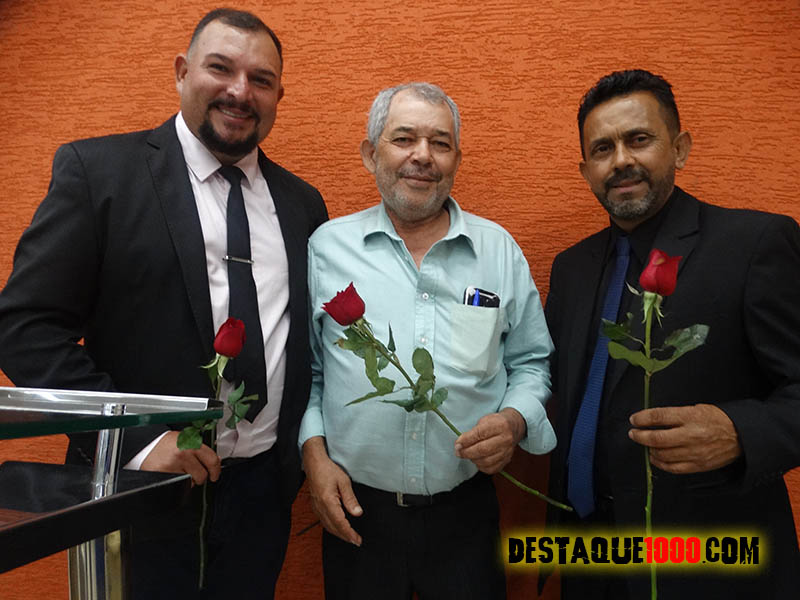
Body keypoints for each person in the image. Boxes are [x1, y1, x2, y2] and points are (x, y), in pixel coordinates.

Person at [0, 8, 327, 599]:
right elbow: (25, 328)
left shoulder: (303, 204)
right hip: (135, 491)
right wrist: (140, 441)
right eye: (220, 68)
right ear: (181, 72)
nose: (240, 91)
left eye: (261, 79)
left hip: (261, 498)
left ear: (279, 95)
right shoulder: (99, 174)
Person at [543, 69, 800, 599]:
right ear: (586, 170)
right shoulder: (571, 268)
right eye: (602, 148)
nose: (621, 161)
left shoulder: (754, 245)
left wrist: (740, 430)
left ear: (680, 148)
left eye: (639, 139)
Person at [298, 81, 555, 599]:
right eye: (404, 139)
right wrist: (314, 459)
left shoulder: (498, 251)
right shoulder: (327, 249)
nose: (423, 156)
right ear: (370, 154)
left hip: (465, 515)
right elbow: (309, 373)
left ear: (457, 159)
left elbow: (531, 362)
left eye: (440, 143)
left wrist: (513, 421)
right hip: (357, 513)